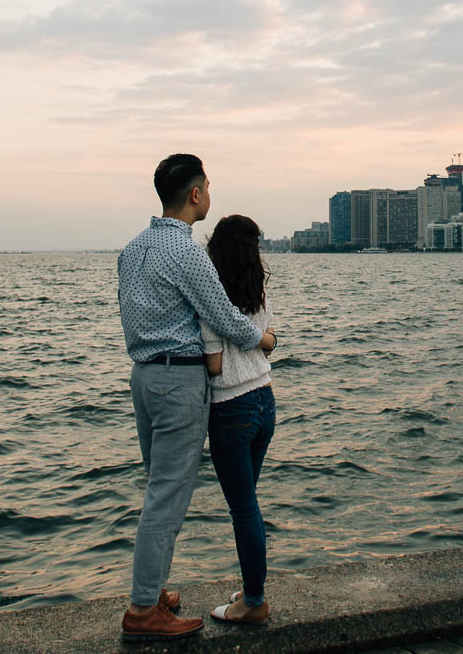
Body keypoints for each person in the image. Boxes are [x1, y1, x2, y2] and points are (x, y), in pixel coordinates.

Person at [116, 154, 278, 642]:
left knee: (157, 488)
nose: (209, 194)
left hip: (143, 377)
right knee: (168, 496)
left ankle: (153, 589)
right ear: (194, 194)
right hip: (179, 382)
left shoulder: (131, 249)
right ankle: (144, 610)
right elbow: (226, 320)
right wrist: (265, 339)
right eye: (207, 186)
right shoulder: (185, 254)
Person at [199, 214, 277, 625]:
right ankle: (252, 586)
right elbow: (265, 344)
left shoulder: (212, 295)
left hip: (231, 407)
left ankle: (254, 600)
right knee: (248, 505)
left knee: (244, 509)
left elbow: (213, 365)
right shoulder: (258, 290)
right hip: (265, 401)